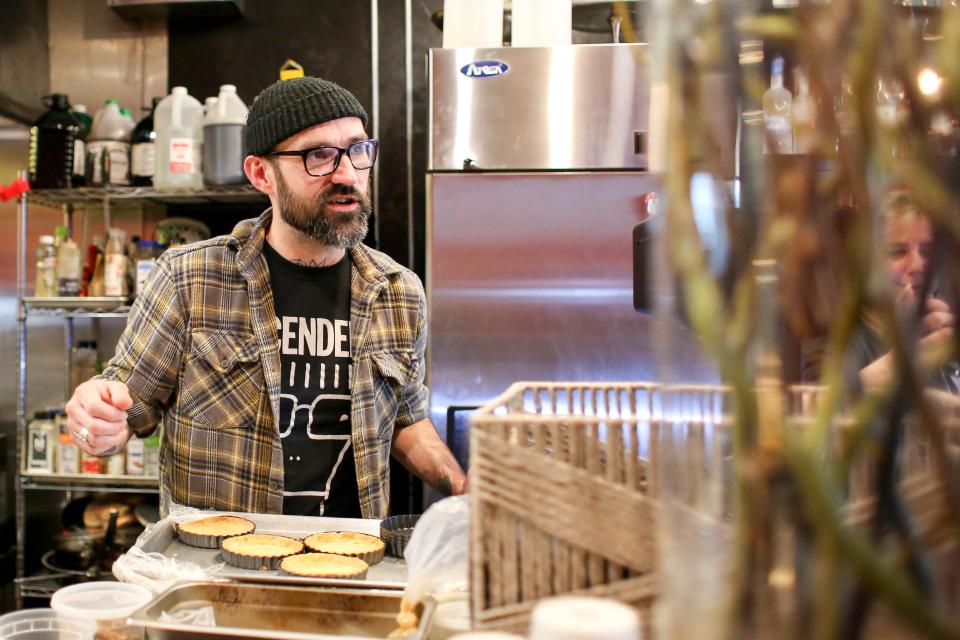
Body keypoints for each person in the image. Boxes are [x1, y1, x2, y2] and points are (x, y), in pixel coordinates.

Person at [65, 77, 467, 518]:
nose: (348, 174)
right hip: (219, 566)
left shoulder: (399, 292)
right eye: (318, 156)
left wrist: (462, 487)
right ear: (261, 174)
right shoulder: (191, 279)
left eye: (357, 150)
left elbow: (406, 418)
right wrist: (97, 419)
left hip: (349, 561)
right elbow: (127, 406)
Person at [803, 189, 957, 392]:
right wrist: (902, 356)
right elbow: (817, 406)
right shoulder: (834, 334)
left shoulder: (942, 322)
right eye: (897, 252)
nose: (917, 265)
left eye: (926, 251)